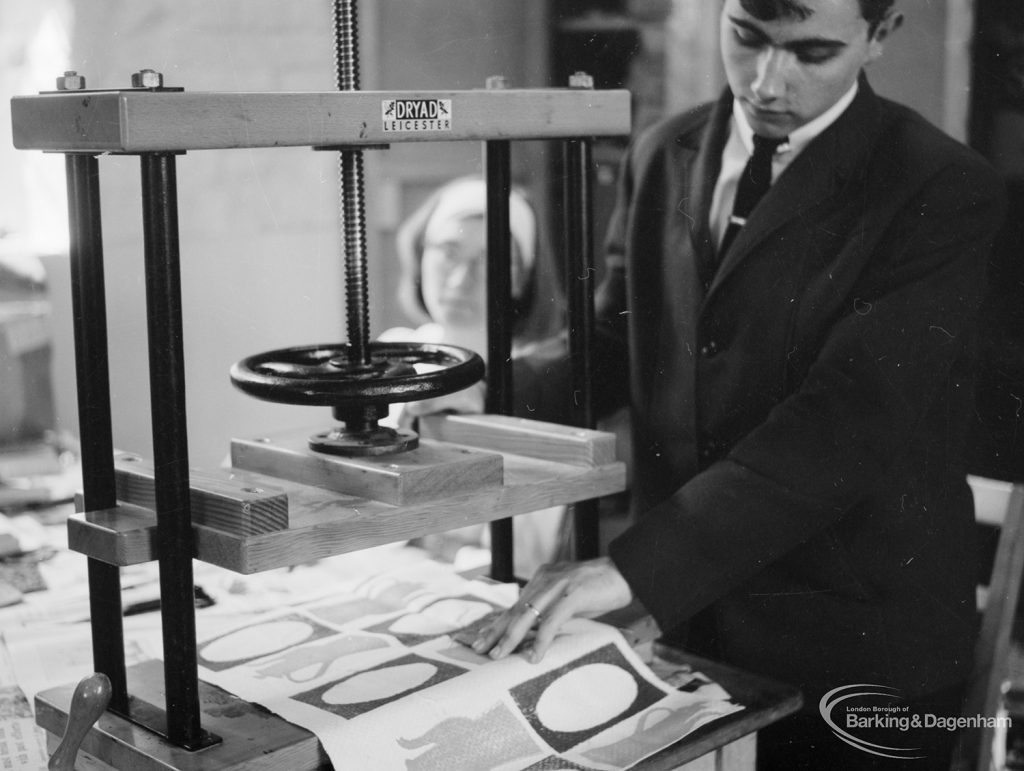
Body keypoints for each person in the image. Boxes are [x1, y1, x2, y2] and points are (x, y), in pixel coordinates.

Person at [471, 1, 1007, 768]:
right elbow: (619, 337)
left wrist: (634, 567)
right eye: (746, 37)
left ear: (881, 35)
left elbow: (843, 423)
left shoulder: (941, 188)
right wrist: (469, 392)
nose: (765, 81)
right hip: (693, 629)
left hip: (858, 651)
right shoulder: (667, 150)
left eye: (811, 52)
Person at [380, 176, 568, 575]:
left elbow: (521, 556)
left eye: (491, 261)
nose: (461, 279)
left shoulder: (538, 383)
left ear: (521, 279)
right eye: (448, 252)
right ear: (420, 253)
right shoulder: (390, 353)